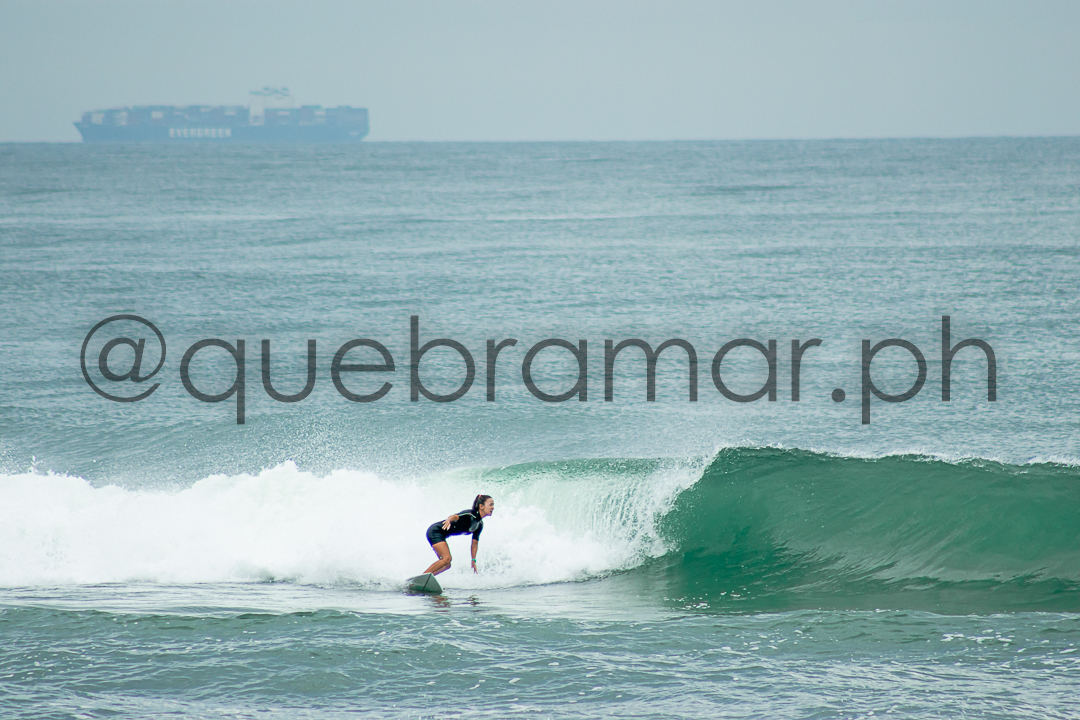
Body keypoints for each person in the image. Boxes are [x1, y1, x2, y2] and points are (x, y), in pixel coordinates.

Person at [423, 494, 494, 576]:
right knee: (447, 559)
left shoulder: (479, 525)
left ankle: (426, 579)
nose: (493, 508)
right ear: (481, 506)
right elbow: (455, 516)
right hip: (435, 531)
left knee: (447, 564)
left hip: (441, 535)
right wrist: (449, 520)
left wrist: (473, 560)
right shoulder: (470, 514)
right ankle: (422, 577)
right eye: (490, 505)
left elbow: (474, 544)